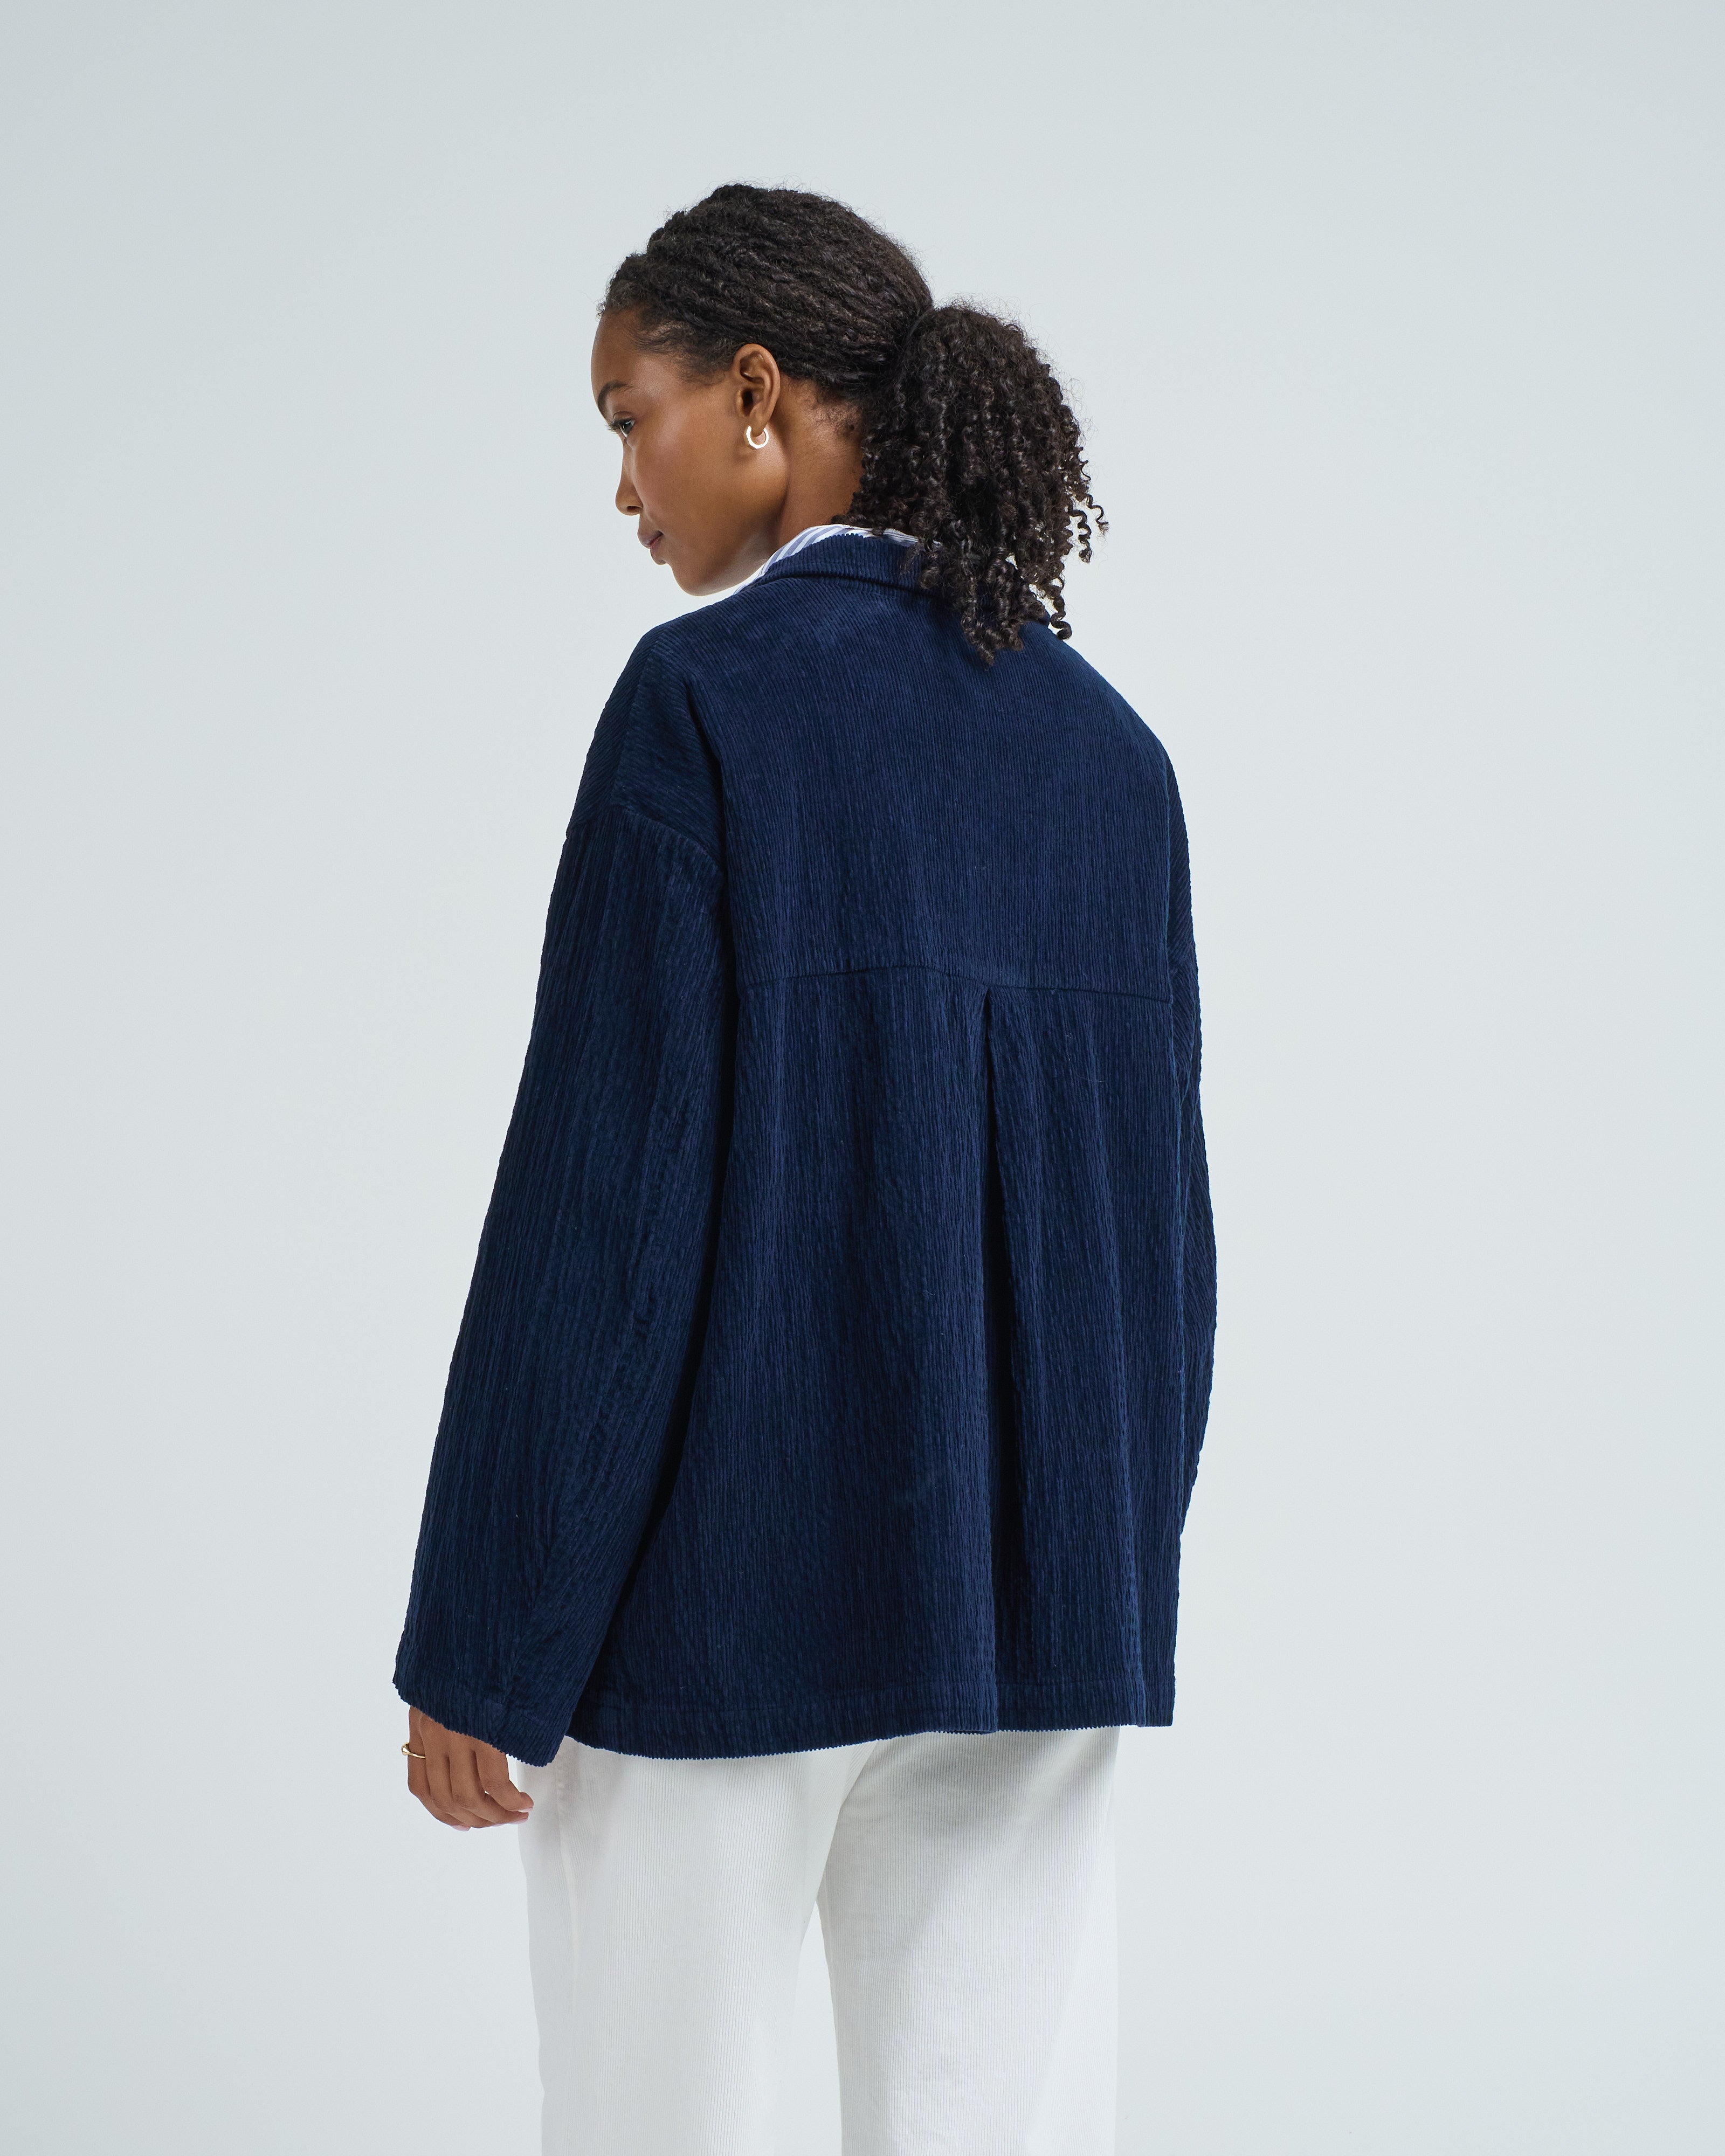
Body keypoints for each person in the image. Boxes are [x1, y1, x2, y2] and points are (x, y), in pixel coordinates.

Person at [394, 183, 1216, 2156]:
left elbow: (604, 1211)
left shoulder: (706, 707)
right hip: (1038, 1618)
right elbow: (1165, 1246)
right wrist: (1104, 1577)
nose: (624, 485)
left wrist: (488, 1638)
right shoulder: (1113, 756)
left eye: (632, 416)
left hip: (719, 1610)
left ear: (756, 394)